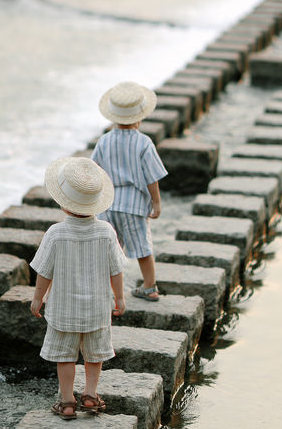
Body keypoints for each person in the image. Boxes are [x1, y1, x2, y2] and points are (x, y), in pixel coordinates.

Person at [30, 155, 126, 420]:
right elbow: (116, 270)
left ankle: (68, 401)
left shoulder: (55, 233)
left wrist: (37, 299)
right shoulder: (106, 231)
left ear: (63, 202)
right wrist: (119, 298)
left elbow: (43, 273)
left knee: (66, 357)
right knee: (95, 356)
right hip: (97, 311)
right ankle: (91, 395)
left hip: (64, 312)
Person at [91, 80, 168, 301]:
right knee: (142, 247)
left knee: (112, 252)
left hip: (109, 203)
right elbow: (152, 177)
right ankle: (149, 286)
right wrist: (156, 203)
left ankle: (111, 292)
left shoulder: (104, 142)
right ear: (140, 116)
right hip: (134, 205)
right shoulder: (144, 143)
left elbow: (95, 171)